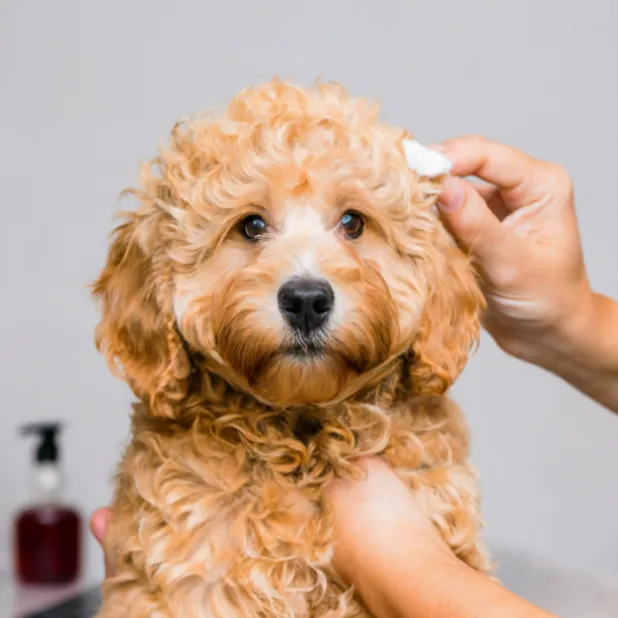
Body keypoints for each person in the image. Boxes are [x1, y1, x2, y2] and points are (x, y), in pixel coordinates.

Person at [90, 135, 618, 617]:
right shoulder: (180, 487)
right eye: (251, 227)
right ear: (159, 280)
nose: (306, 286)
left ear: (430, 272)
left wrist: (403, 568)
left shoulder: (421, 464)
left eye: (353, 224)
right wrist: (576, 320)